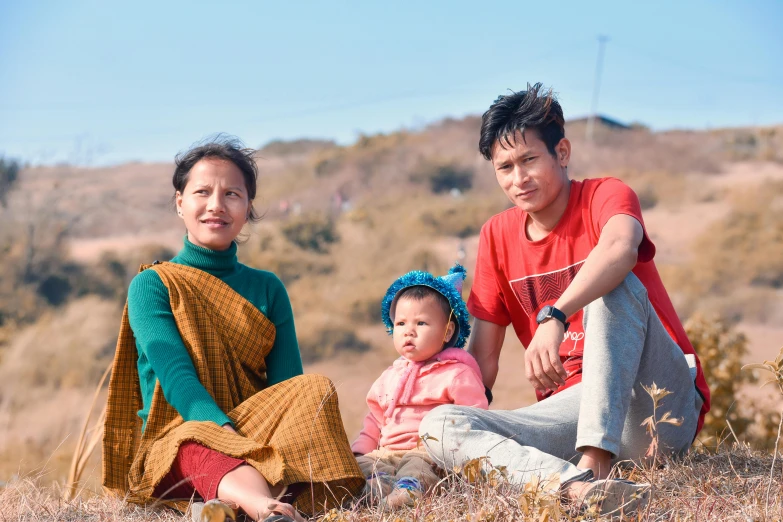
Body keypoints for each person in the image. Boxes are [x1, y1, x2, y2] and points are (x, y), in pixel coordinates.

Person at [418, 84, 711, 515]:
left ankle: (595, 464)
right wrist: (456, 435)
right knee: (438, 425)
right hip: (568, 412)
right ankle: (574, 488)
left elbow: (620, 252)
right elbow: (482, 360)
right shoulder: (496, 236)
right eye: (505, 168)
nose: (518, 178)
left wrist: (554, 316)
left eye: (529, 160)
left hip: (653, 404)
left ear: (563, 152)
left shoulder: (605, 195)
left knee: (617, 284)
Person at [102, 137, 364, 522]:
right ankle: (267, 508)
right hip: (182, 435)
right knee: (193, 444)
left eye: (232, 194)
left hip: (254, 433)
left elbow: (286, 388)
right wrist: (225, 434)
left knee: (315, 389)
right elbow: (177, 379)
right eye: (202, 192)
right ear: (180, 202)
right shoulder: (154, 285)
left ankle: (235, 502)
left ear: (248, 207)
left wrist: (258, 442)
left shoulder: (268, 288)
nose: (216, 205)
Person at [351, 265, 488, 508]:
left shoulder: (456, 374)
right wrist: (361, 451)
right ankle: (376, 486)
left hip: (428, 451)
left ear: (448, 332)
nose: (408, 332)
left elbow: (474, 418)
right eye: (401, 323)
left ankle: (409, 491)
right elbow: (375, 420)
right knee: (358, 465)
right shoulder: (389, 376)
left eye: (421, 323)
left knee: (418, 466)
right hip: (387, 451)